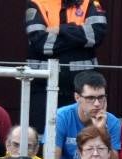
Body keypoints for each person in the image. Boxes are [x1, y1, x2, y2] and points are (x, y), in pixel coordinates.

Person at [24, 0, 108, 130]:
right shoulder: (36, 3)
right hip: (43, 89)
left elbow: (96, 35)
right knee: (41, 138)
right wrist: (78, 39)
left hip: (83, 90)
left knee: (85, 137)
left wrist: (60, 29)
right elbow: (41, 43)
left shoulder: (90, 2)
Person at [54, 69, 122, 159]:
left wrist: (101, 131)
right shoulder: (61, 117)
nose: (97, 104)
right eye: (90, 98)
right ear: (77, 97)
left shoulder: (112, 122)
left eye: (101, 97)